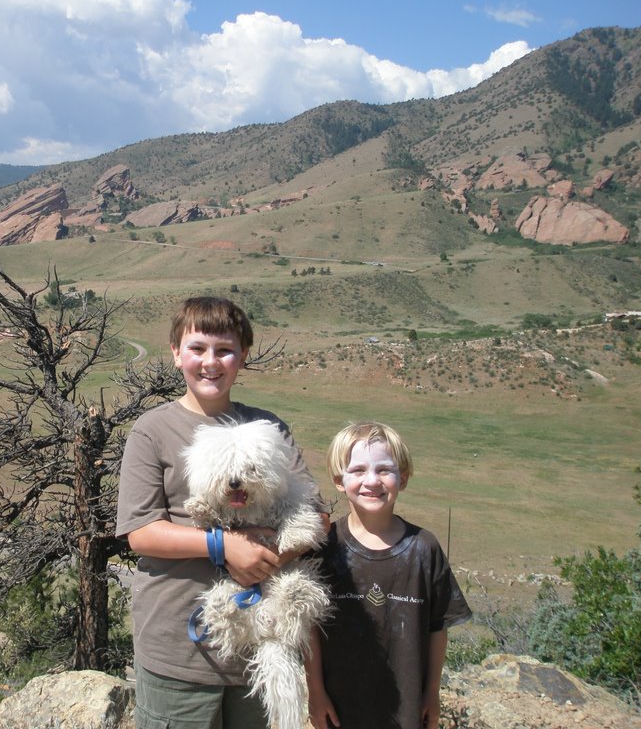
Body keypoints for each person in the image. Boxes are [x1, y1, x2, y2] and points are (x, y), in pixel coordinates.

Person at [116, 296, 322, 729]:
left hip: (257, 648)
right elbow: (141, 532)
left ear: (243, 356)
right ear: (176, 354)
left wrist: (268, 559)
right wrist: (224, 545)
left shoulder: (269, 430)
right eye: (197, 349)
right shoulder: (152, 431)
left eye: (225, 350)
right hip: (177, 651)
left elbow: (315, 516)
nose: (211, 362)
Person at [306, 421, 472, 729]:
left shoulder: (424, 548)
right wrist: (315, 692)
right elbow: (309, 628)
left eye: (385, 470)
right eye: (358, 471)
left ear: (403, 478)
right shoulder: (324, 547)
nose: (372, 481)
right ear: (339, 480)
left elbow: (438, 628)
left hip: (406, 713)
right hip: (339, 711)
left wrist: (432, 693)